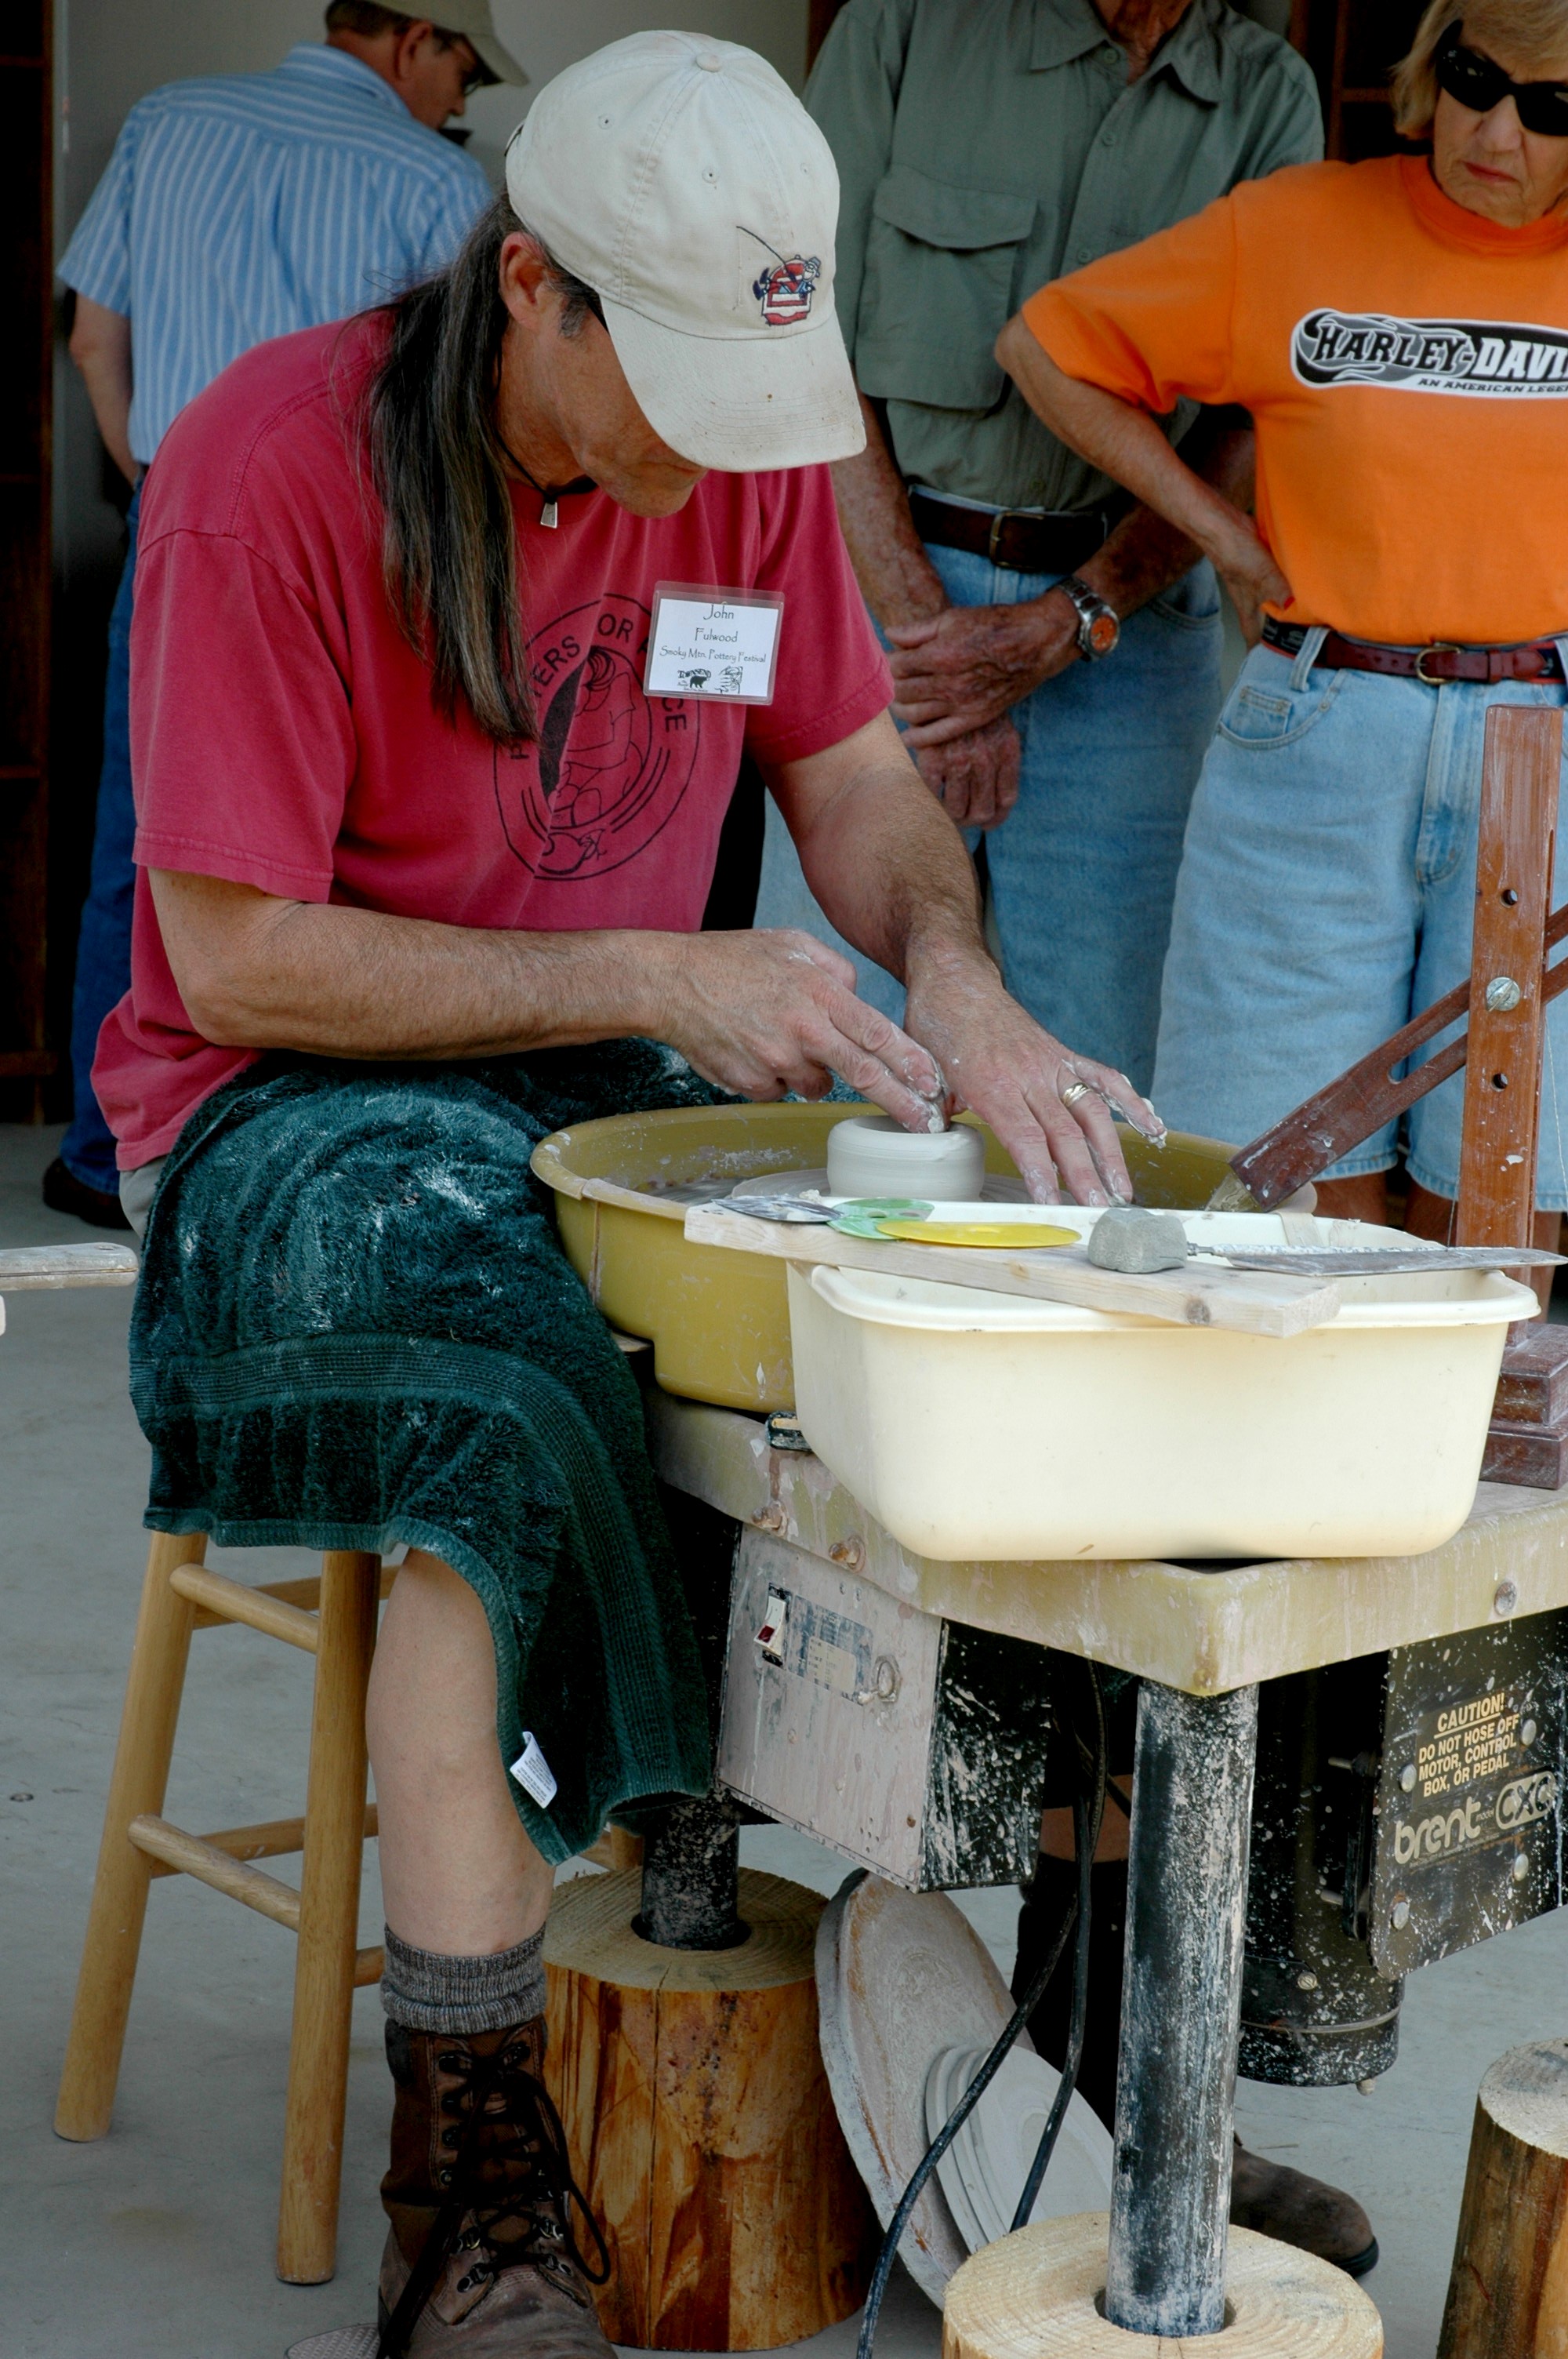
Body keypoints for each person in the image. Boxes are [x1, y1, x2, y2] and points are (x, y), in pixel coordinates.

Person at [102, 37, 1159, 2357]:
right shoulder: (265, 471)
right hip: (283, 1097)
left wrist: (965, 990)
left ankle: (1086, 2102)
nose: (708, 448)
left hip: (596, 1051)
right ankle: (463, 2184)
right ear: (529, 293)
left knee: (992, 1317)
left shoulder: (744, 458)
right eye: (659, 384)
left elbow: (863, 794)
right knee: (502, 1394)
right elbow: (236, 952)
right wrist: (663, 967)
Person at [1000, 0, 1568, 1249]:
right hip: (1322, 718)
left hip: (1548, 739)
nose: (1496, 127)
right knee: (1282, 1166)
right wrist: (1223, 534)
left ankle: (1455, 1437)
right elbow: (1047, 348)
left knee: (1514, 1172)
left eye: (1550, 105)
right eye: (1476, 80)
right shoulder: (1302, 224)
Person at [752, 0, 1322, 1092]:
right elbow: (797, 318)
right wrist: (928, 642)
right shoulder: (907, 28)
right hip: (882, 585)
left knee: (1102, 1073)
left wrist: (1077, 618)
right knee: (825, 1039)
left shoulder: (1265, 90)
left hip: (1127, 622)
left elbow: (1257, 413)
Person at [49, 3, 524, 1231]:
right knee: (344, 873)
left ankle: (112, 1155)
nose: (456, 100)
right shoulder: (433, 177)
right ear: (415, 40)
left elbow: (95, 336)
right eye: (461, 68)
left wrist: (168, 483)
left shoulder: (169, 122)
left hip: (179, 525)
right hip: (373, 554)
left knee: (151, 854)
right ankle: (304, 1157)